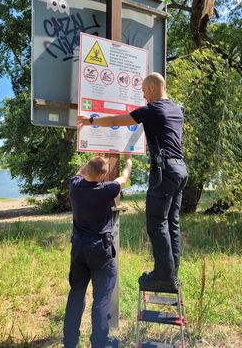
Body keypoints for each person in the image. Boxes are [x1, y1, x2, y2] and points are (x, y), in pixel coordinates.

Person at [78, 72, 188, 292]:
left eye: (145, 91)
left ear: (154, 88)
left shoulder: (152, 110)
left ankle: (163, 277)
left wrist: (91, 120)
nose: (143, 95)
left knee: (157, 222)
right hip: (181, 170)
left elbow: (117, 120)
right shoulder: (176, 109)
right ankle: (171, 273)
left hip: (164, 171)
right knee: (172, 223)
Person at [63, 155, 132, 348]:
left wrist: (94, 160)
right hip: (100, 251)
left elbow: (80, 172)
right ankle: (100, 343)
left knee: (76, 294)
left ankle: (70, 342)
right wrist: (128, 163)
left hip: (78, 249)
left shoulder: (75, 186)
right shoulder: (105, 190)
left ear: (87, 169)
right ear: (102, 176)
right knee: (101, 298)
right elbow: (123, 179)